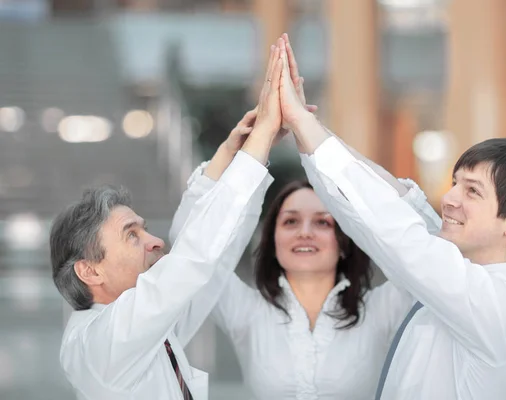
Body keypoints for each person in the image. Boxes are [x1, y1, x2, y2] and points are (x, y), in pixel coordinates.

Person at [278, 35, 506, 399]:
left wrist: (304, 124)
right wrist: (306, 127)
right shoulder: (461, 273)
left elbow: (399, 236)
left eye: (472, 191)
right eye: (455, 183)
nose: (450, 198)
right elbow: (394, 200)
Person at [169, 35, 440, 400]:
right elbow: (190, 250)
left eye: (323, 222)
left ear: (345, 240)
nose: (305, 233)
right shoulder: (248, 312)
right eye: (290, 221)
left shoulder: (382, 309)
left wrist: (311, 132)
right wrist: (238, 147)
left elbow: (431, 247)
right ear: (271, 239)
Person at [49, 42, 285, 400]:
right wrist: (262, 139)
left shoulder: (145, 328)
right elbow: (190, 260)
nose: (155, 241)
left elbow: (209, 259)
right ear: (90, 271)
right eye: (132, 235)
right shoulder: (102, 344)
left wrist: (232, 155)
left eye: (143, 228)